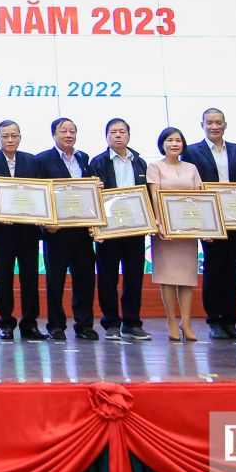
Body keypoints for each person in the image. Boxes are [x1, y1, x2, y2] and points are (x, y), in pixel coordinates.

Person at [184, 107, 236, 340]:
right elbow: (191, 189)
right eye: (210, 122)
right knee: (213, 269)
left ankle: (230, 321)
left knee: (233, 271)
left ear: (225, 124)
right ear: (202, 125)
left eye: (218, 122)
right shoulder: (192, 152)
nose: (214, 126)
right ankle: (214, 321)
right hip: (210, 220)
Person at [0, 121, 45, 341]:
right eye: (5, 136)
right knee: (3, 279)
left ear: (20, 138)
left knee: (30, 280)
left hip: (28, 232)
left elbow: (40, 192)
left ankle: (30, 324)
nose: (10, 140)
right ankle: (6, 323)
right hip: (2, 233)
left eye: (14, 135)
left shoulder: (32, 161)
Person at [35, 117, 99, 341]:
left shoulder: (84, 158)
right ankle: (55, 325)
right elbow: (40, 193)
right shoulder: (42, 160)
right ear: (54, 135)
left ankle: (84, 325)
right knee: (56, 281)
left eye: (72, 131)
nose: (69, 135)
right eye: (63, 131)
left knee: (85, 279)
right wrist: (46, 222)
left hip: (81, 230)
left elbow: (88, 191)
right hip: (57, 232)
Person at [87, 118, 151, 341]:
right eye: (113, 132)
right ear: (106, 137)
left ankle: (132, 323)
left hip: (135, 228)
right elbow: (93, 197)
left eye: (122, 132)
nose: (118, 135)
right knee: (107, 277)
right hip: (109, 230)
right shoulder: (97, 162)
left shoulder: (140, 162)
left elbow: (147, 195)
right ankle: (111, 323)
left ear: (129, 136)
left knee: (134, 277)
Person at [147, 127, 202, 342]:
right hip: (165, 229)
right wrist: (159, 222)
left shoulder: (192, 168)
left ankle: (186, 322)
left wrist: (201, 225)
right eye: (169, 140)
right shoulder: (155, 167)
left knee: (187, 278)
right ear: (162, 144)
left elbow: (199, 197)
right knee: (168, 278)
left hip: (187, 228)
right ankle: (171, 321)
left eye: (178, 140)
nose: (174, 144)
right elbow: (154, 196)